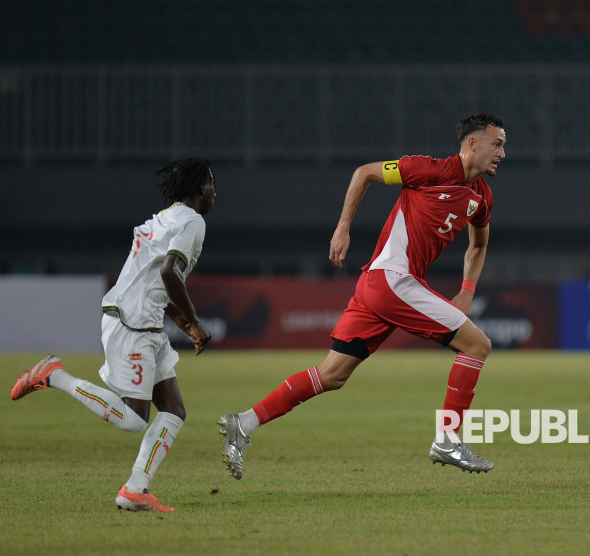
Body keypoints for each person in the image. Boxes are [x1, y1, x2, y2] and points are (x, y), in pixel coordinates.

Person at [218, 114, 506, 478]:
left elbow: (478, 246)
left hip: (380, 286)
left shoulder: (482, 197)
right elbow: (364, 173)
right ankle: (448, 440)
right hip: (391, 280)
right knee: (477, 345)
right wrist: (342, 229)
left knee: (332, 374)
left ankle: (243, 423)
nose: (502, 153)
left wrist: (466, 291)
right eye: (497, 144)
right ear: (472, 144)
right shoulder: (428, 170)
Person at [10, 158, 215, 512]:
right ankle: (55, 375)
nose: (215, 192)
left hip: (143, 322)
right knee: (134, 419)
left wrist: (178, 319)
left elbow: (150, 277)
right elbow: (169, 272)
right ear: (199, 188)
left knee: (173, 410)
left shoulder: (166, 217)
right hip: (132, 325)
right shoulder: (192, 222)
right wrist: (195, 321)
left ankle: (135, 489)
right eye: (212, 184)